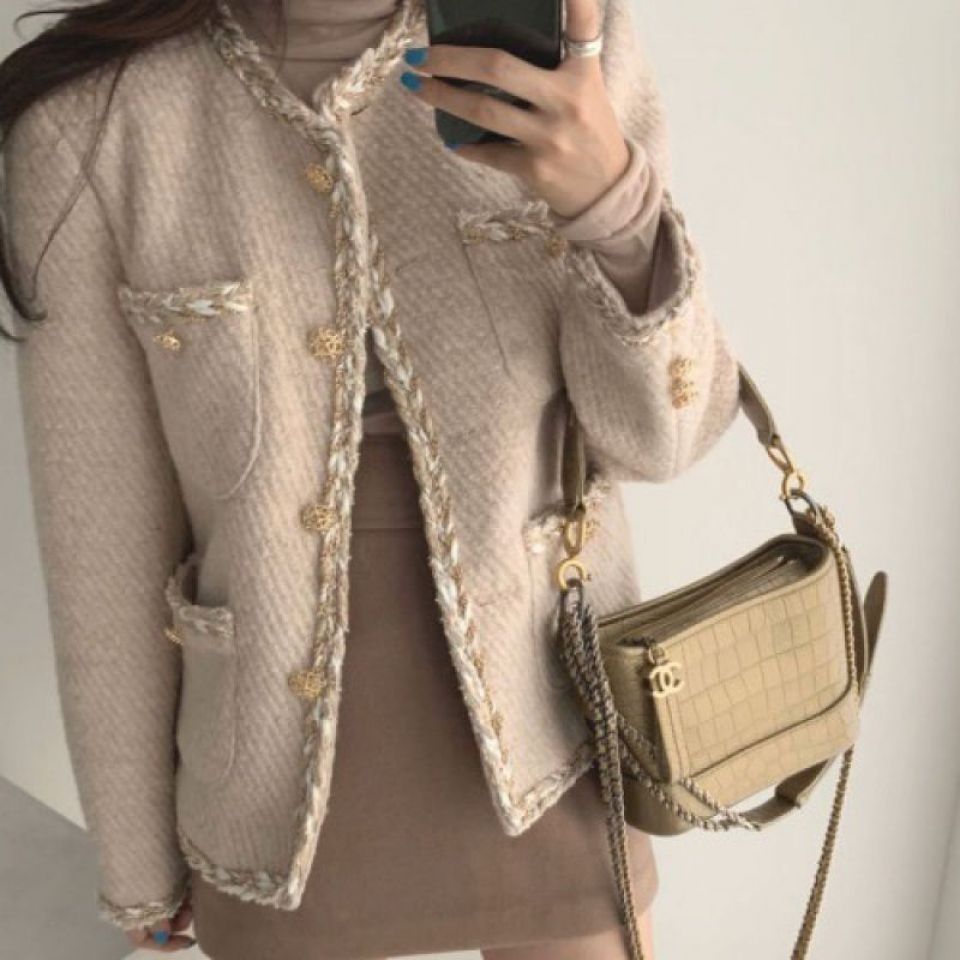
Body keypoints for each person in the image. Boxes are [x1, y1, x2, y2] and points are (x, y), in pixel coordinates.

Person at [0, 0, 741, 956]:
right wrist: (137, 854)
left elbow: (664, 443)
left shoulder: (559, 40)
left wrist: (615, 208)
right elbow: (100, 538)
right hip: (266, 779)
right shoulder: (91, 122)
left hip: (554, 723)